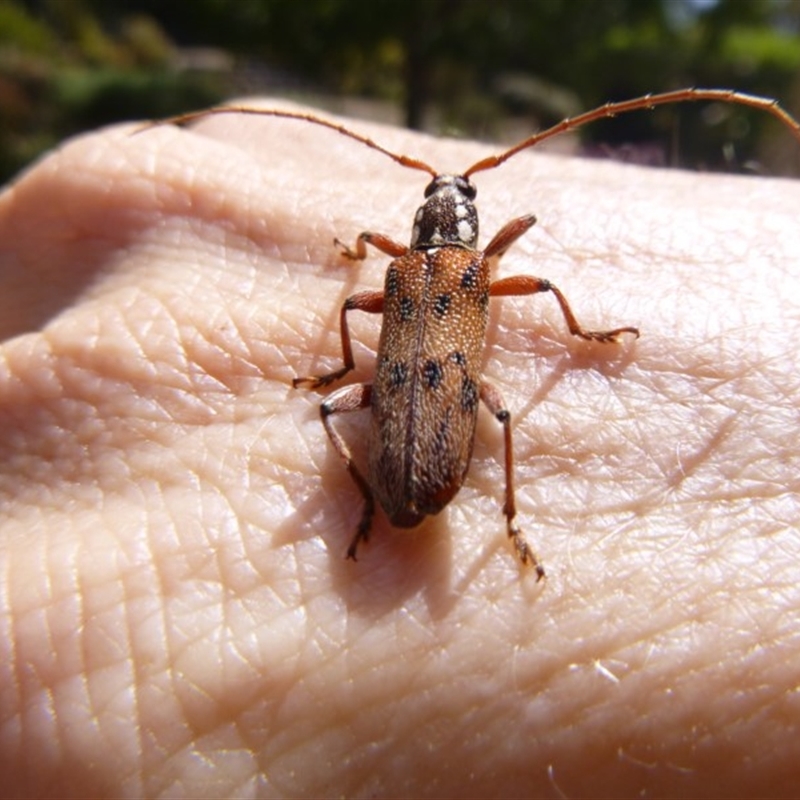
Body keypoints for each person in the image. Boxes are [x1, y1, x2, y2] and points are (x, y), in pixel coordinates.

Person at [1, 100, 798, 797]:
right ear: (469, 220)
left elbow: (358, 292)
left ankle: (368, 485)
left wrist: (353, 356)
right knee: (506, 409)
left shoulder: (404, 270)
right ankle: (509, 523)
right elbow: (535, 277)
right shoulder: (472, 269)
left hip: (406, 438)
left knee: (335, 402)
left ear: (426, 218)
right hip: (435, 426)